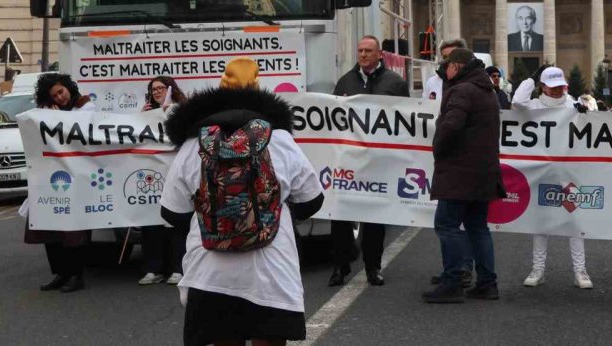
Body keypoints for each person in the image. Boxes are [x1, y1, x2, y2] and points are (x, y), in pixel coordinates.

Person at [160, 58, 324, 345]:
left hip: (210, 271)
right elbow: (312, 201)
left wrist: (216, 214)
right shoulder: (280, 138)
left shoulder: (192, 144)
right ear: (259, 92)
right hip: (270, 267)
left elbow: (172, 213)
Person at [422, 49, 506, 303]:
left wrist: (439, 148)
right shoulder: (485, 89)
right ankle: (487, 283)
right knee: (477, 227)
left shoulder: (462, 90)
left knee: (446, 225)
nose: (444, 71)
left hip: (460, 170)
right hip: (483, 170)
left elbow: (451, 125)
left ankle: (453, 282)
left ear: (457, 66)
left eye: (446, 66)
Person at [329, 35, 409, 287]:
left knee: (375, 219)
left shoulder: (395, 83)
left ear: (379, 55)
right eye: (360, 50)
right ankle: (340, 267)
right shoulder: (345, 81)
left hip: (378, 163)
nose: (363, 54)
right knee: (341, 217)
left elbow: (407, 120)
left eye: (368, 51)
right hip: (349, 162)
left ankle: (373, 267)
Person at [513, 65, 594, 289]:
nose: (558, 91)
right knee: (541, 223)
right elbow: (517, 101)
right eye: (553, 87)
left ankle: (581, 271)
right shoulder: (534, 105)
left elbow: (591, 127)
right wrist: (531, 77)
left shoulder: (573, 104)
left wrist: (585, 113)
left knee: (575, 221)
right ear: (543, 87)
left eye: (561, 87)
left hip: (568, 172)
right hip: (542, 170)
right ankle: (538, 269)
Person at [26, 73, 96, 294]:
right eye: (54, 95)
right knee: (50, 224)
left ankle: (76, 274)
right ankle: (60, 272)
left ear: (68, 87)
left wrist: (57, 120)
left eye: (61, 91)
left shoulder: (85, 106)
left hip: (77, 177)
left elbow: (84, 136)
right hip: (52, 177)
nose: (60, 97)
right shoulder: (45, 111)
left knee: (73, 230)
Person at [138, 76, 189, 286]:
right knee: (151, 223)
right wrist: (141, 117)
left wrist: (171, 113)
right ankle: (153, 268)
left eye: (161, 88)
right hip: (151, 176)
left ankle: (178, 268)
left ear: (171, 89)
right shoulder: (146, 114)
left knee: (175, 222)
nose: (157, 92)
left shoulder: (181, 110)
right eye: (153, 89)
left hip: (174, 174)